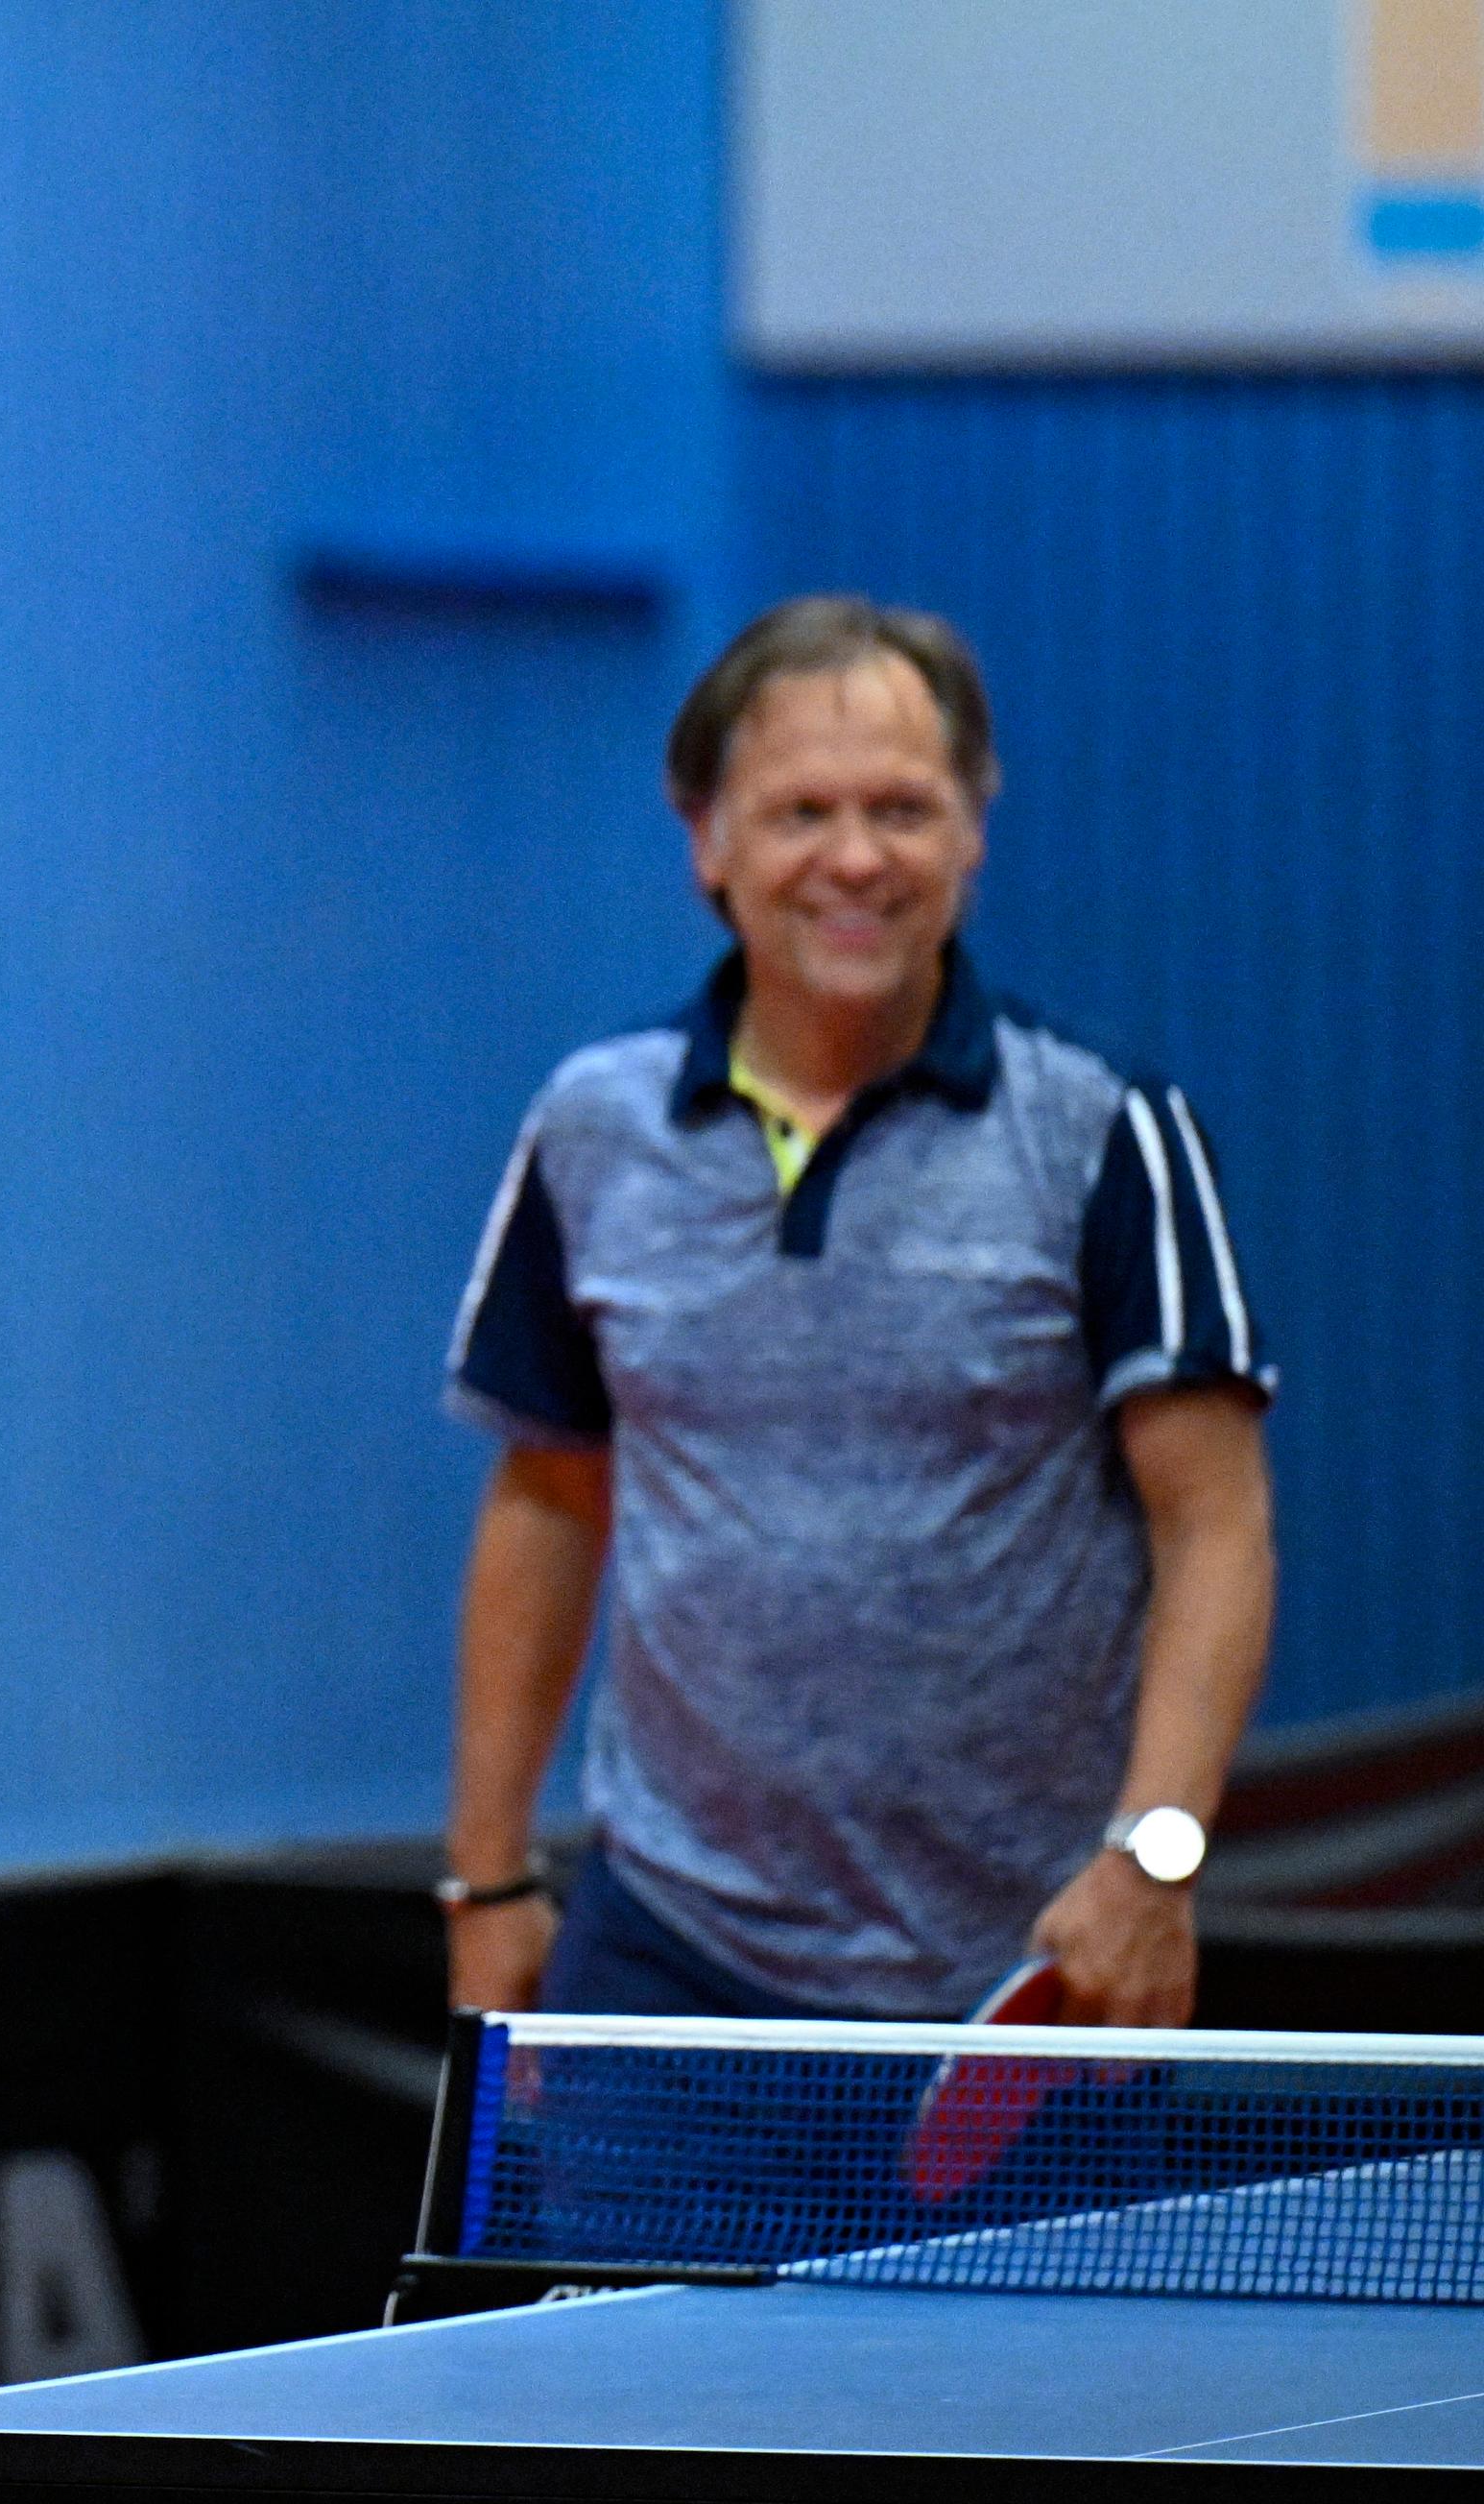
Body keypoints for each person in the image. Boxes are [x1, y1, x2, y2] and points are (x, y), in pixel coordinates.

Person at [440, 596, 1278, 2030]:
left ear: (973, 830)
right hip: (667, 1958)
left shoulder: (1106, 1129)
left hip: (1031, 1973)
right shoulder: (594, 1127)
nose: (854, 857)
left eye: (903, 808)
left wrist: (1156, 1856)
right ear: (707, 838)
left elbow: (1217, 1522)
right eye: (800, 811)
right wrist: (487, 1881)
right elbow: (549, 1496)